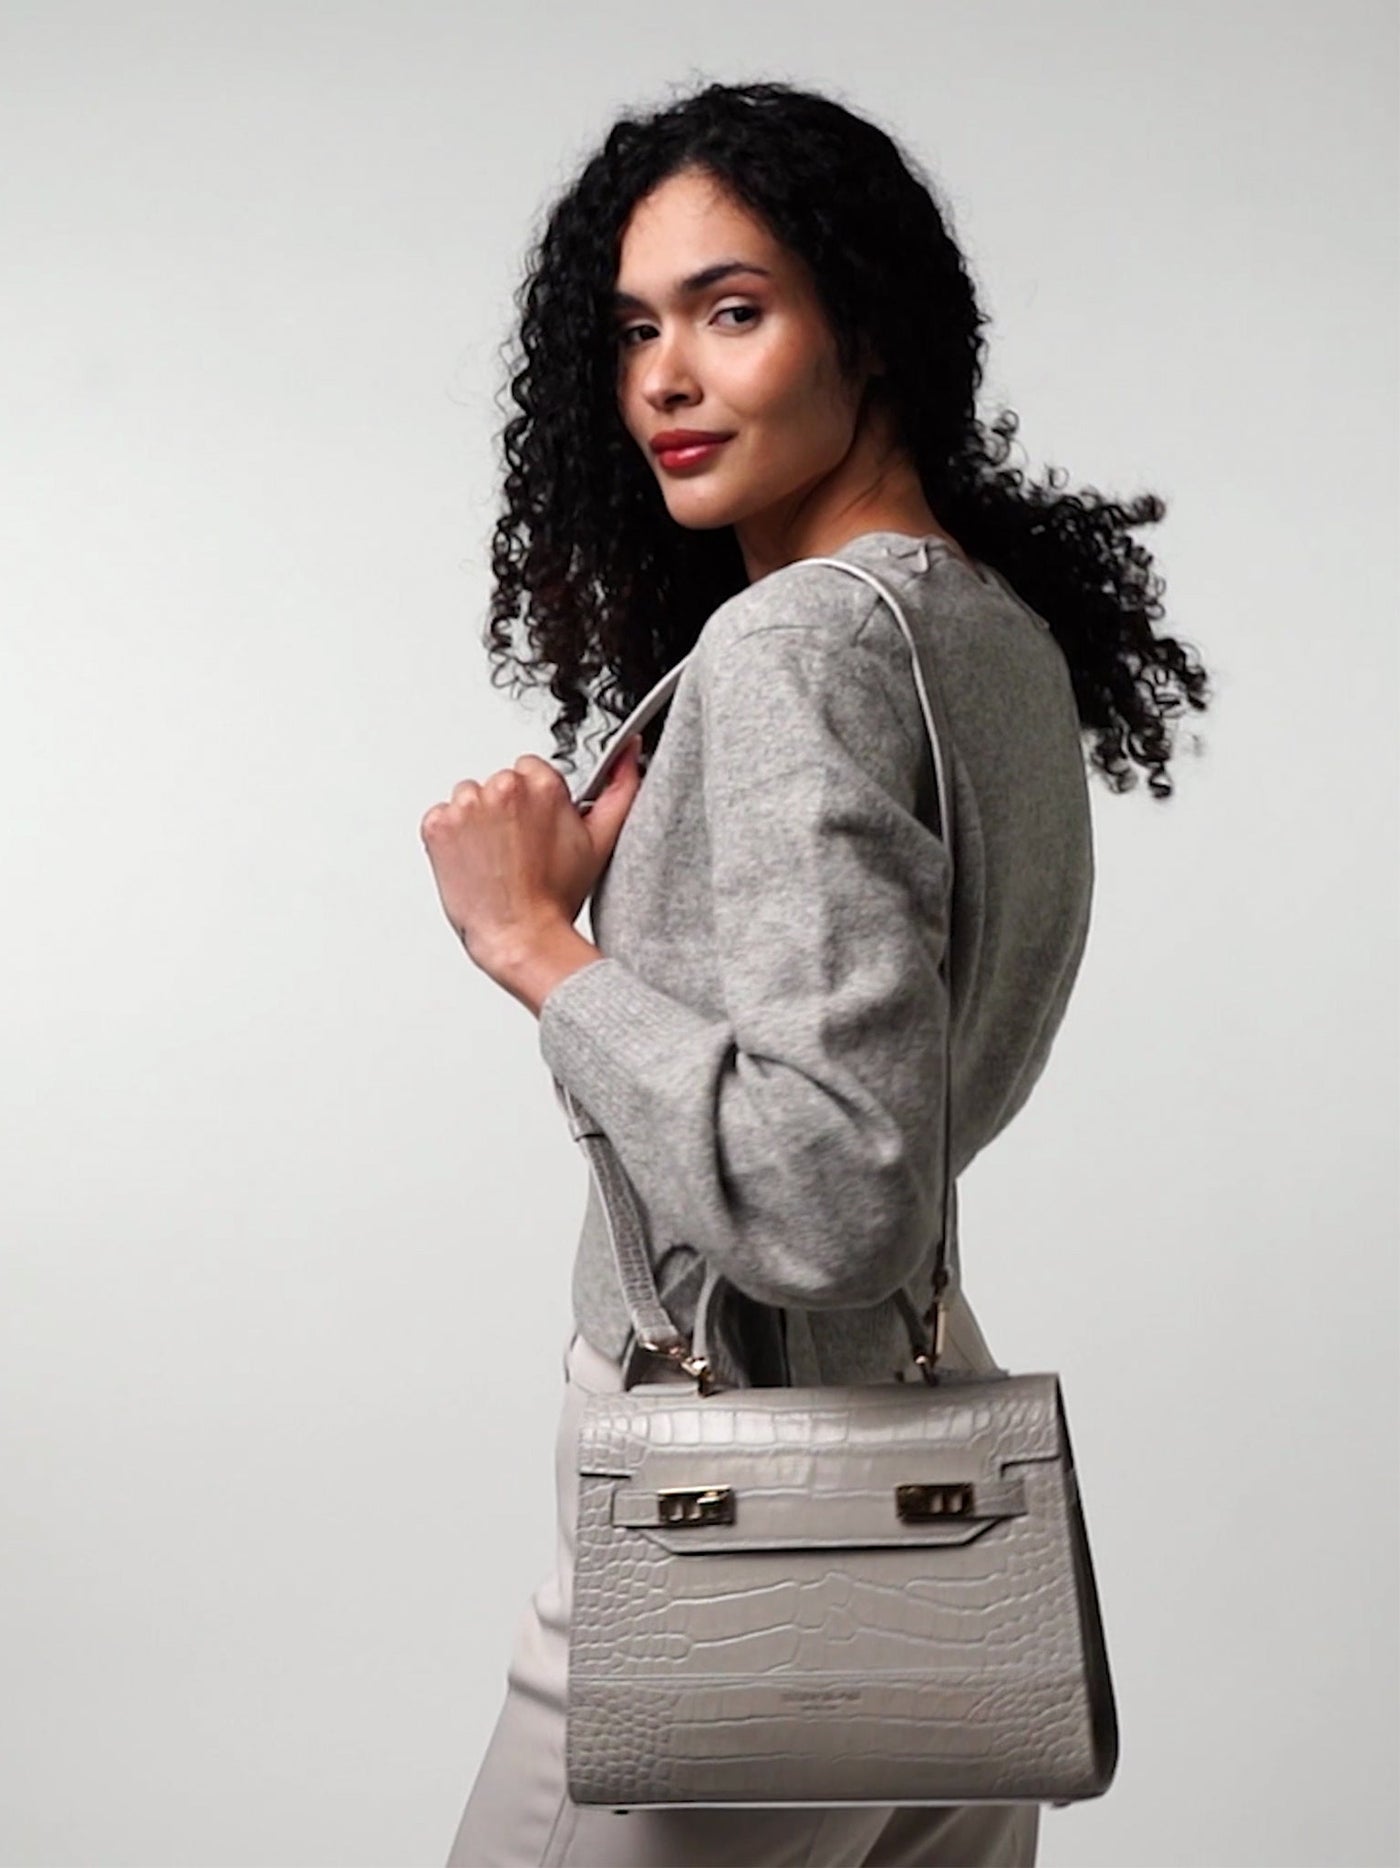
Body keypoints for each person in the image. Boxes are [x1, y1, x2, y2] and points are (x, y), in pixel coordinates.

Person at [421, 78, 1210, 1868]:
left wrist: (536, 948)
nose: (665, 379)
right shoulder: (980, 630)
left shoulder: (793, 646)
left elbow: (837, 1188)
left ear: (871, 329)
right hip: (930, 1490)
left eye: (732, 310)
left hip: (745, 1507)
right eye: (635, 330)